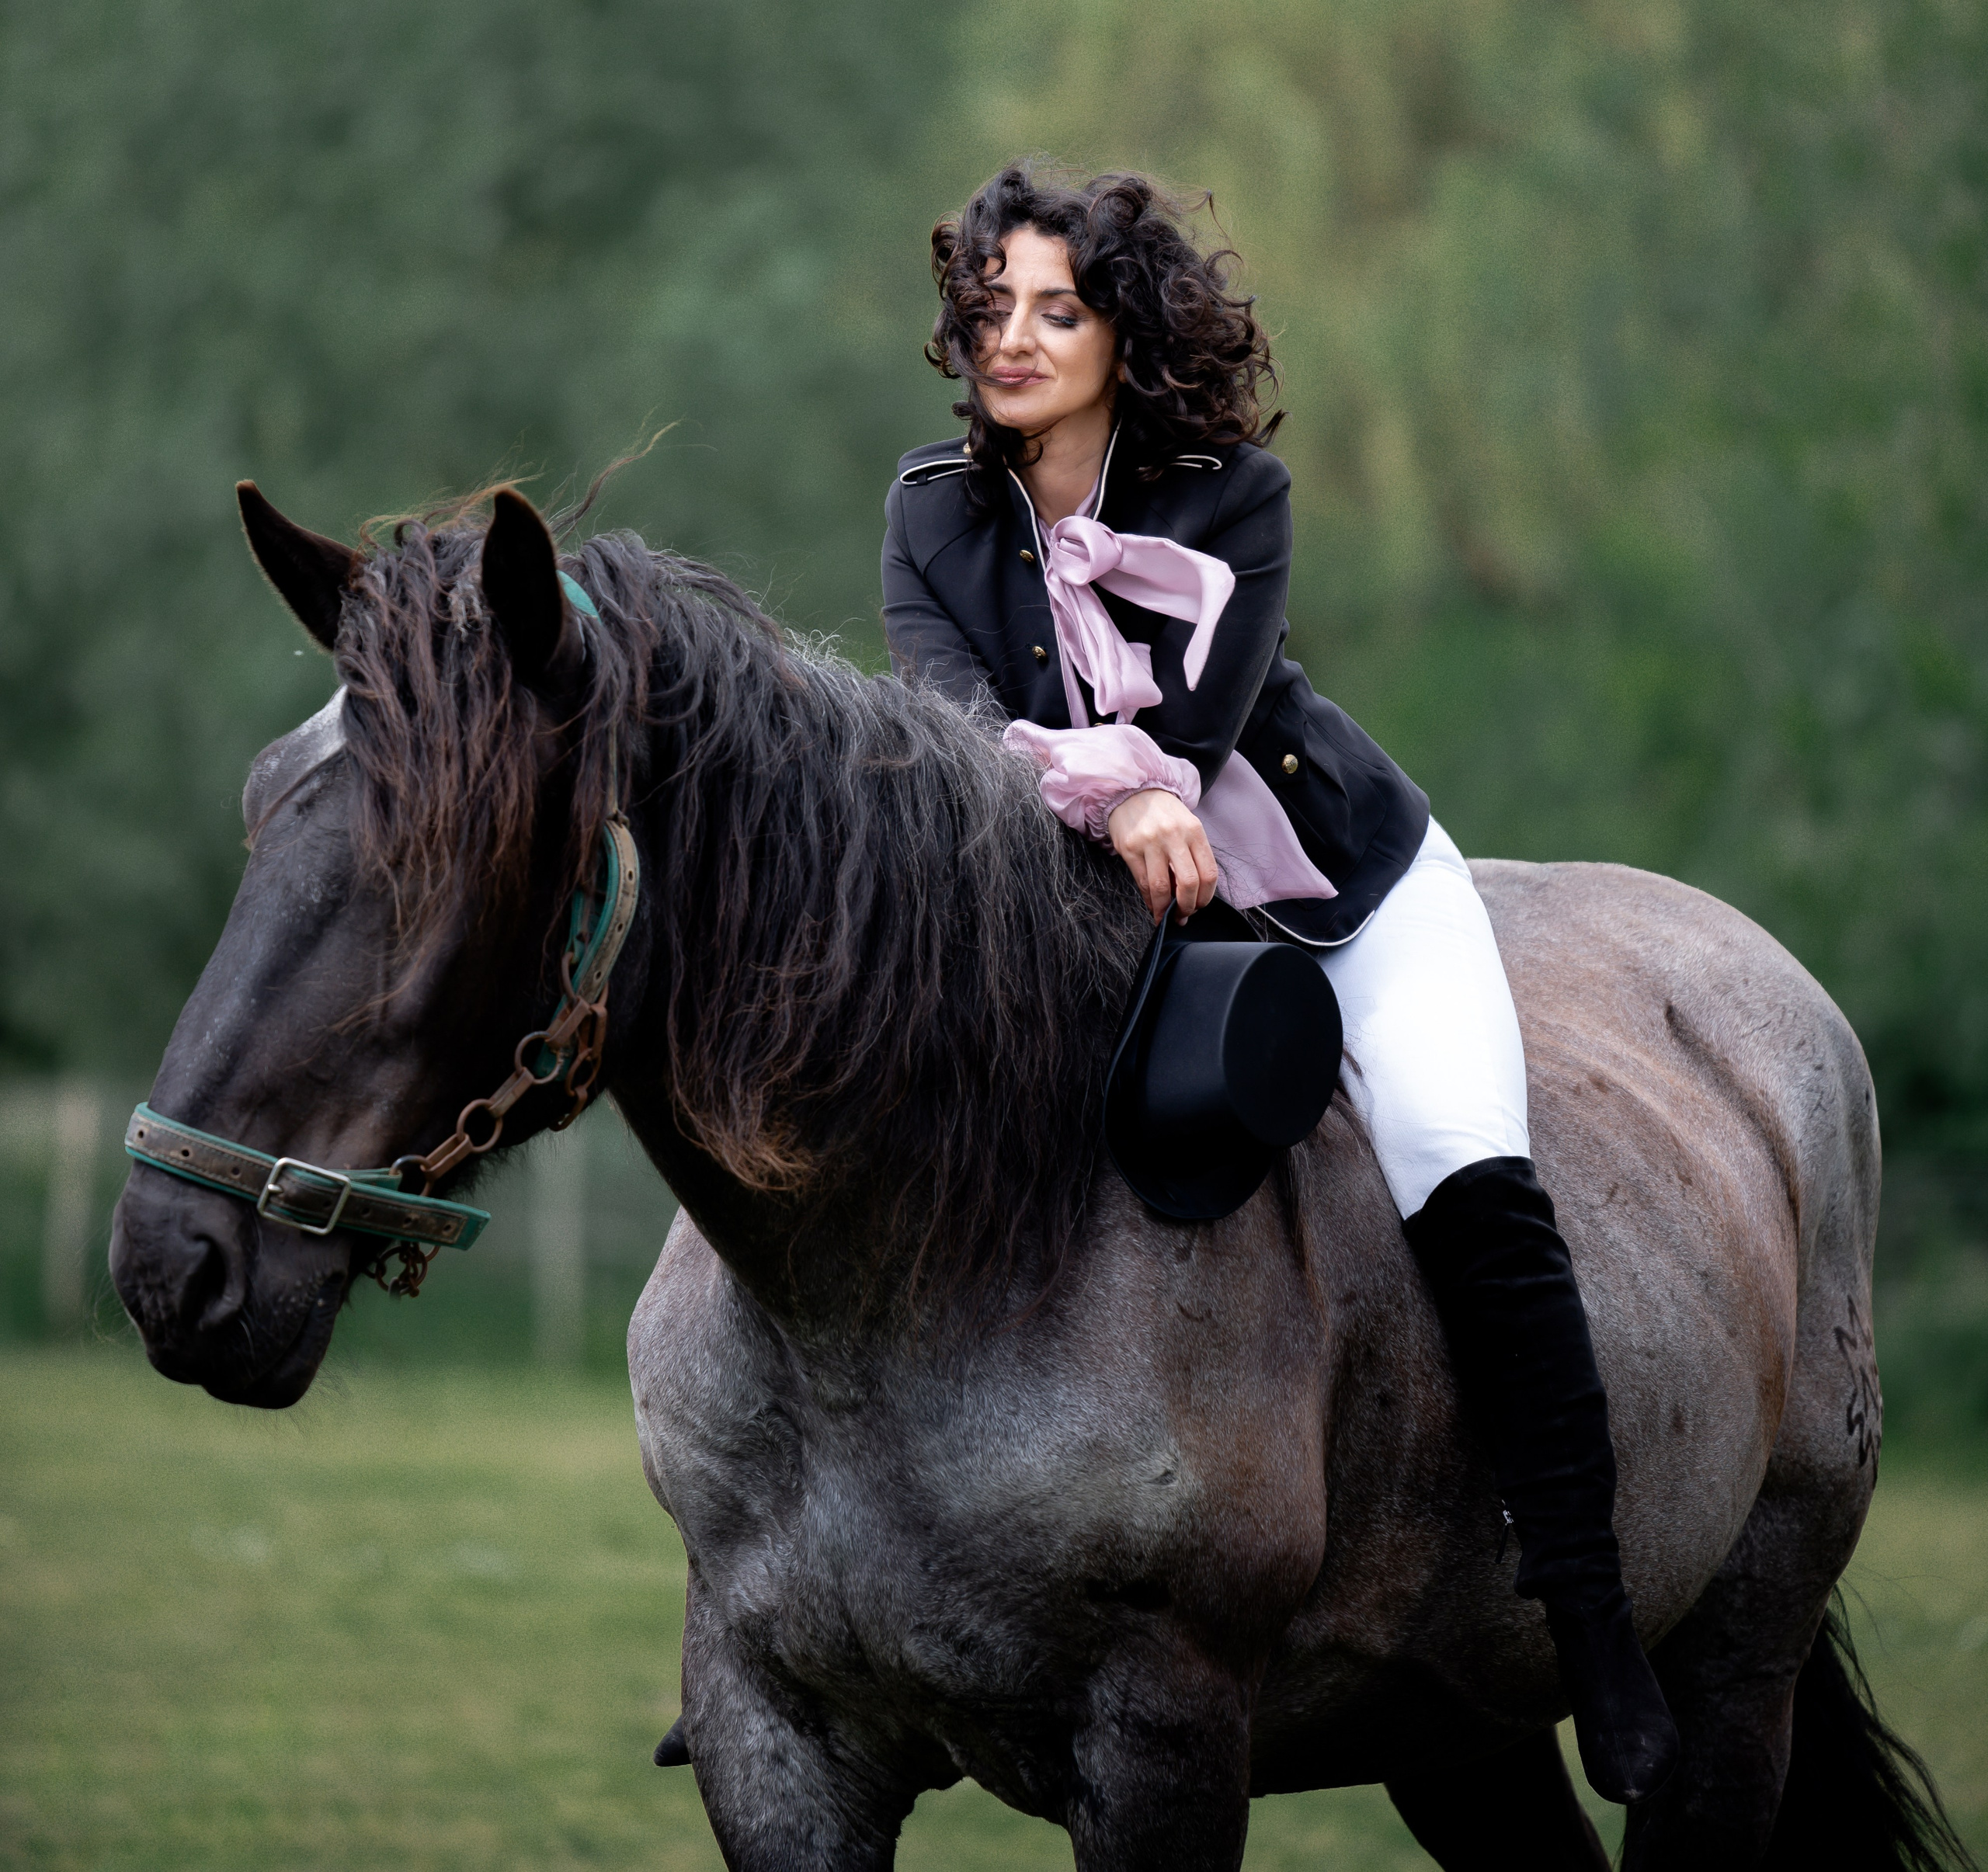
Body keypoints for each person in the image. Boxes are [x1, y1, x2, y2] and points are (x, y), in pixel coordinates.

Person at [880, 161, 1679, 1806]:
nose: (1010, 340)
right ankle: (822, 1604)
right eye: (989, 310)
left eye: (1056, 310)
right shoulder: (927, 507)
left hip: (1337, 891)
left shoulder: (1233, 494)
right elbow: (950, 739)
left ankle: (1590, 1623)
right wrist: (1116, 795)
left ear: (1125, 334)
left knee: (1464, 1171)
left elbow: (1192, 742)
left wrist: (1132, 780)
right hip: (1088, 910)